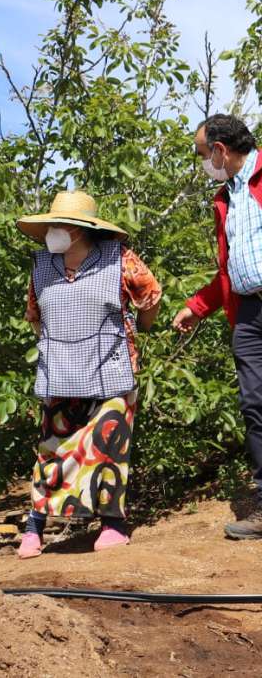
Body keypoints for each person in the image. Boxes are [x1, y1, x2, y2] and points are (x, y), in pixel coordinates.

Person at [15, 191, 161, 559]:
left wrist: (137, 329)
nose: (51, 231)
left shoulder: (120, 260)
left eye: (57, 225)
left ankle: (112, 524)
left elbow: (150, 296)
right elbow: (35, 317)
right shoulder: (41, 266)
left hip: (111, 369)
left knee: (109, 447)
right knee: (52, 449)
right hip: (59, 374)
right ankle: (35, 526)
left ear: (78, 230)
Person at [173, 114, 262, 540]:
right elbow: (229, 270)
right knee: (255, 406)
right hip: (248, 313)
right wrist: (197, 306)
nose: (202, 162)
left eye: (201, 153)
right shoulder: (224, 199)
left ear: (220, 150)